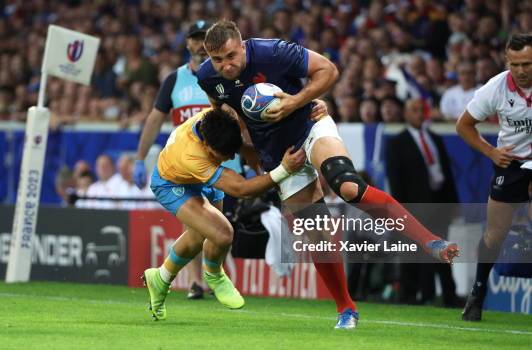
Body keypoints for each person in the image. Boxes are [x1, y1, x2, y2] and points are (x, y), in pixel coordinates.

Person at [197, 20, 459, 329]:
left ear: (242, 45)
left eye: (231, 56)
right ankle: (346, 308)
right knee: (317, 233)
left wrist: (298, 100)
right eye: (218, 60)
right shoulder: (207, 76)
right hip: (280, 154)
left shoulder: (273, 52)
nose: (226, 65)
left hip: (310, 126)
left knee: (348, 187)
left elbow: (329, 70)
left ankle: (431, 243)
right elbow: (225, 112)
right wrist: (247, 148)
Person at [143, 107, 306, 321]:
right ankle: (214, 273)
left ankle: (160, 278)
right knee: (222, 234)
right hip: (171, 182)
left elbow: (241, 140)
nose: (229, 157)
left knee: (197, 236)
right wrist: (283, 170)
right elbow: (241, 190)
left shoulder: (219, 119)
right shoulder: (192, 155)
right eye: (224, 155)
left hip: (200, 173)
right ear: (207, 146)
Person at [133, 21, 219, 299]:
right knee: (194, 222)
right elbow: (155, 119)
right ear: (187, 44)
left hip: (219, 160)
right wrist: (139, 157)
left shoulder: (221, 74)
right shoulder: (174, 80)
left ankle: (214, 275)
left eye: (204, 38)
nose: (199, 44)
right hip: (185, 160)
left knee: (218, 222)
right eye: (195, 39)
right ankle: (196, 282)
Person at [456, 33, 532, 322]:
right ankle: (477, 293)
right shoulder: (496, 87)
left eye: (527, 64)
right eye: (516, 64)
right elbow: (464, 126)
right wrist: (491, 153)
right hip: (510, 164)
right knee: (494, 235)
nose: (522, 71)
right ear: (507, 61)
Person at [386, 99, 460, 307]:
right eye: (414, 110)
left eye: (422, 110)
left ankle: (449, 296)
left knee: (443, 251)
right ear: (406, 114)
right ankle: (413, 295)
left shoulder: (436, 139)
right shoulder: (397, 142)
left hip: (438, 204)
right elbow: (395, 180)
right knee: (414, 252)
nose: (419, 114)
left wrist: (453, 202)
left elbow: (446, 173)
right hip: (414, 208)